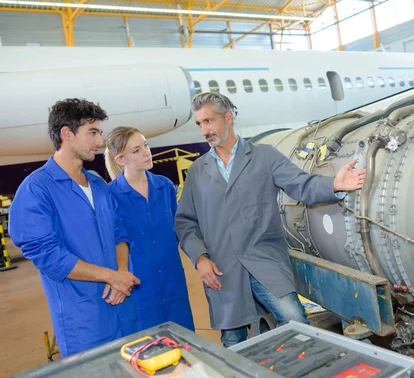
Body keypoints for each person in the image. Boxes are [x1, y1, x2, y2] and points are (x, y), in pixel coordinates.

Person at [175, 92, 366, 347]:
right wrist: (199, 259)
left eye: (209, 121)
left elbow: (301, 185)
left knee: (296, 322)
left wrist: (334, 184)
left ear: (228, 117)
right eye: (199, 124)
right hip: (223, 269)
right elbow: (185, 221)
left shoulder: (264, 156)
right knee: (233, 341)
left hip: (263, 260)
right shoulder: (198, 171)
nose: (204, 130)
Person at [9, 99, 140, 357]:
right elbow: (48, 256)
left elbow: (119, 232)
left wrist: (122, 273)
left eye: (99, 133)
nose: (99, 142)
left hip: (122, 306)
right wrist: (110, 276)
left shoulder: (98, 183)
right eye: (92, 133)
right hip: (83, 321)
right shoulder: (36, 189)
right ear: (67, 134)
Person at [105, 126, 195, 332]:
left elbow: (180, 229)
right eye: (136, 150)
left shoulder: (165, 187)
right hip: (139, 287)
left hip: (173, 282)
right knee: (149, 349)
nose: (146, 152)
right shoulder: (109, 197)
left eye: (145, 145)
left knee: (184, 342)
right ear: (120, 159)